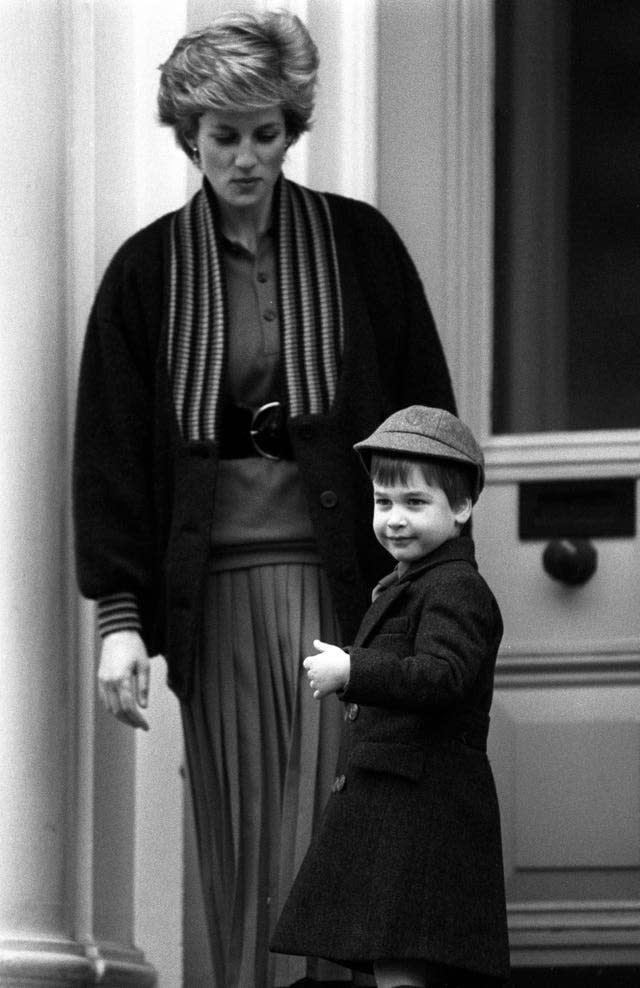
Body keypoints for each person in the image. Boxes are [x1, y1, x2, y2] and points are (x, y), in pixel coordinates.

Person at [72, 10, 457, 988]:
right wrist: (119, 620)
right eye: (223, 136)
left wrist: (436, 584)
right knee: (237, 843)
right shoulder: (146, 273)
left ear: (292, 130)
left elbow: (426, 420)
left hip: (350, 595)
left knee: (335, 829)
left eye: (264, 133)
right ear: (188, 137)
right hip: (216, 600)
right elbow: (111, 456)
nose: (245, 157)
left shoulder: (360, 247)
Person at [271, 406, 510, 988]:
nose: (394, 519)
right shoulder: (409, 583)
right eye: (383, 502)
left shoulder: (456, 586)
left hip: (423, 809)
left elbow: (442, 675)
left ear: (462, 507)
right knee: (377, 957)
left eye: (414, 503)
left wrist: (355, 670)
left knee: (400, 956)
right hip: (393, 807)